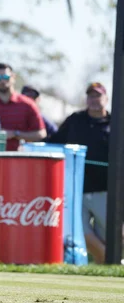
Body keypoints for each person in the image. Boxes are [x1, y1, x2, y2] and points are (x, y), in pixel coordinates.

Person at [0, 63, 46, 259]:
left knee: (14, 214)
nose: (2, 81)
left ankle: (13, 256)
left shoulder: (27, 105)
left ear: (13, 77)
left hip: (19, 167)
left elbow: (41, 133)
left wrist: (14, 134)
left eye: (5, 77)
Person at [46, 82, 110, 263]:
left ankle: (108, 265)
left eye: (98, 96)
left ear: (106, 99)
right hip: (74, 189)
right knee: (79, 231)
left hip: (104, 190)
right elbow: (54, 141)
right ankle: (110, 260)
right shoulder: (75, 120)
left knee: (111, 235)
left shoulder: (115, 123)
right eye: (91, 96)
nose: (94, 100)